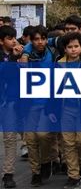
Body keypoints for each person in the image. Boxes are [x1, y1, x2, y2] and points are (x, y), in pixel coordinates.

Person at [46, 32, 81, 188]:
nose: (73, 49)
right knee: (68, 144)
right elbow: (51, 89)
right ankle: (74, 175)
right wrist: (50, 110)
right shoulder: (58, 65)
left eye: (76, 46)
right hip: (65, 110)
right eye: (70, 47)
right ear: (65, 49)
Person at [20, 26, 55, 186]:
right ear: (31, 41)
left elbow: (63, 38)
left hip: (46, 104)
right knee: (30, 140)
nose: (39, 42)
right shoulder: (23, 56)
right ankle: (36, 172)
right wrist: (26, 53)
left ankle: (46, 161)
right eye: (36, 39)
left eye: (42, 38)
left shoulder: (52, 52)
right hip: (29, 104)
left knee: (42, 135)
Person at [0, 25, 23, 188]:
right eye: (9, 38)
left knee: (10, 138)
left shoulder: (20, 54)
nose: (13, 40)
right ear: (1, 41)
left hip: (11, 102)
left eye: (14, 37)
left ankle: (8, 173)